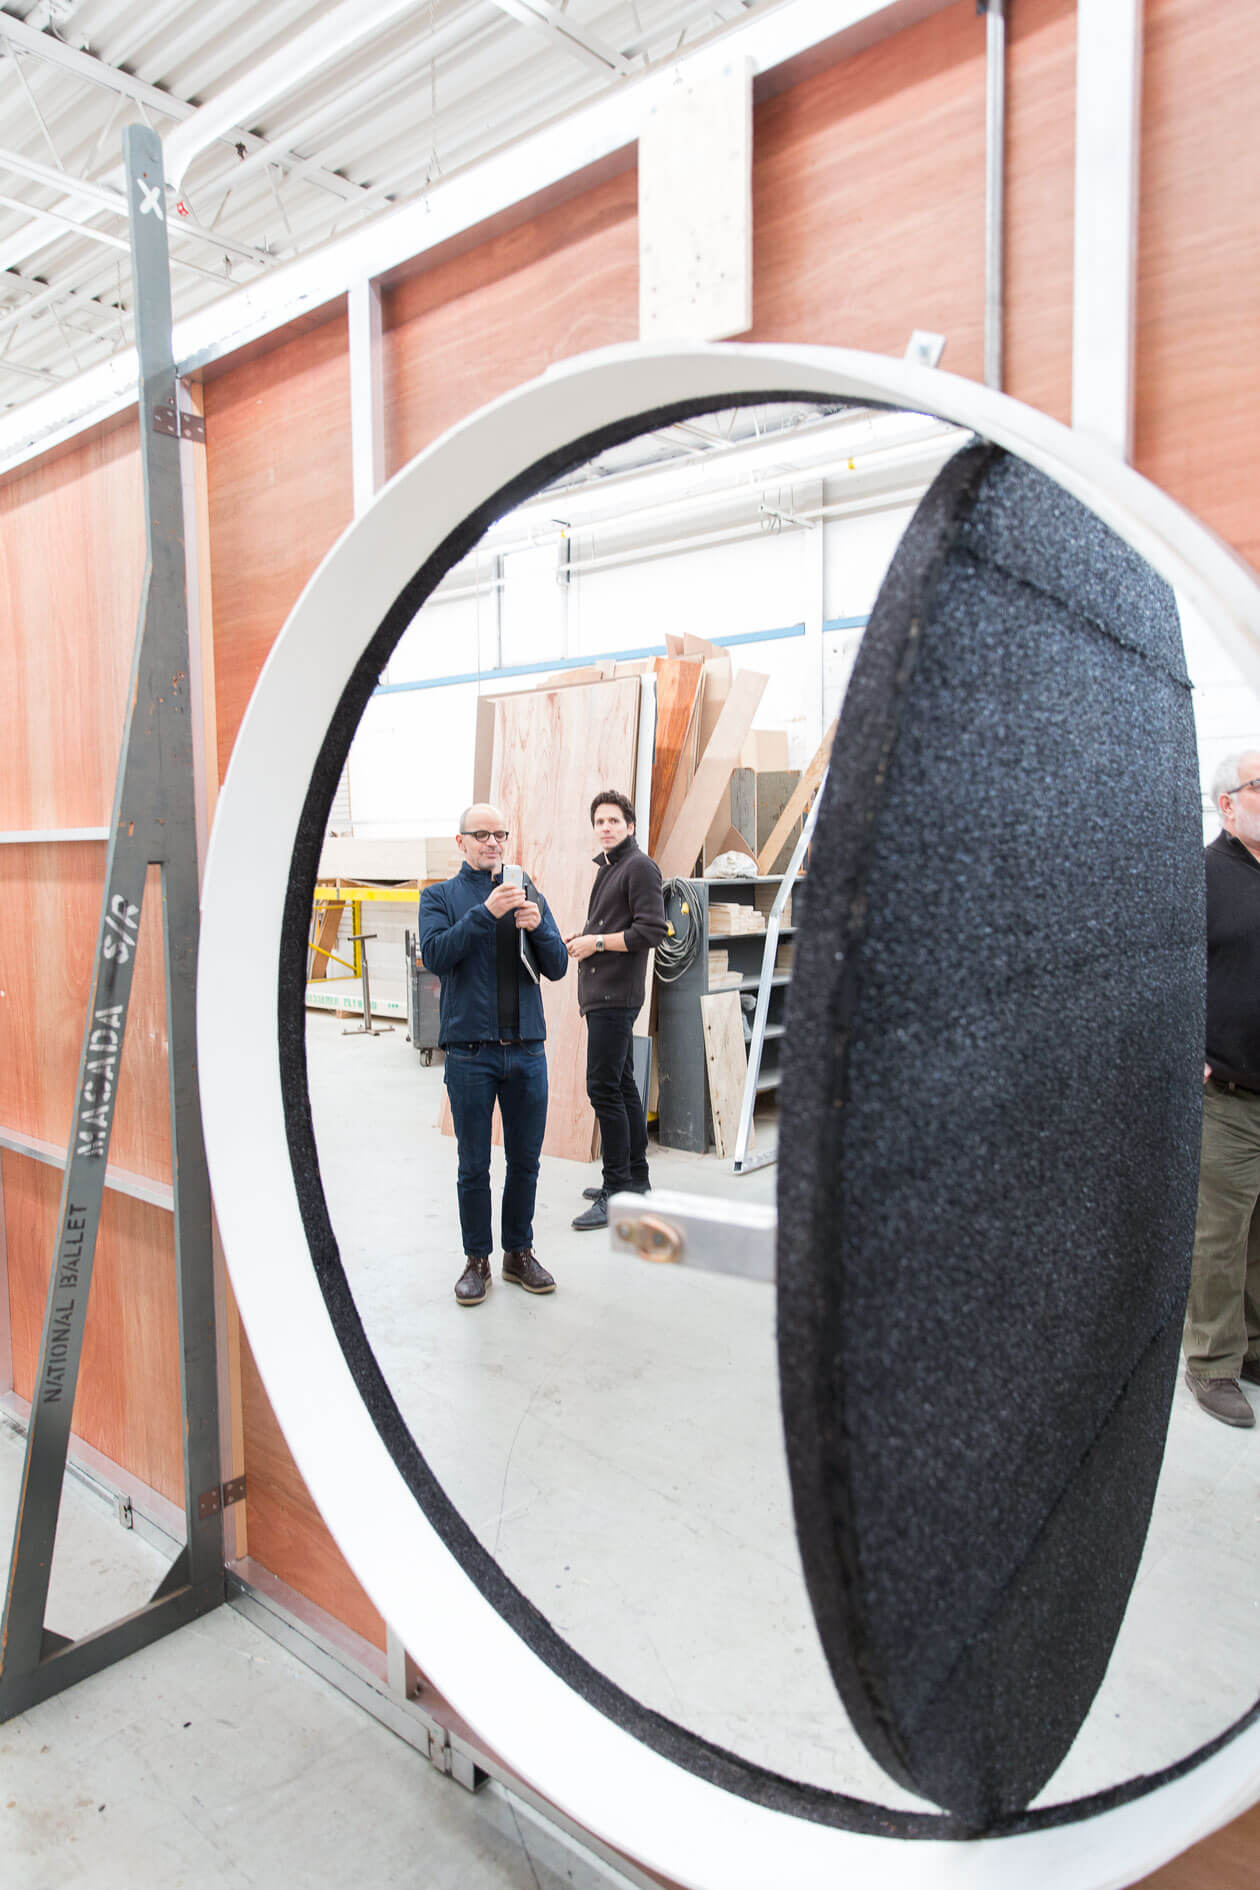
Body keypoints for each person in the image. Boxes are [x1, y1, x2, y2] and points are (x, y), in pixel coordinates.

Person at [418, 803, 569, 1306]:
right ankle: (477, 1260)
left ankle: (518, 1253)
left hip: (526, 1052)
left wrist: (538, 924)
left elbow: (558, 965)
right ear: (460, 841)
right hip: (471, 1055)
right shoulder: (440, 897)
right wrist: (487, 913)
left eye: (500, 834)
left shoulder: (526, 890)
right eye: (481, 834)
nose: (493, 842)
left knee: (525, 1162)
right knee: (473, 1165)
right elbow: (436, 954)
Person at [1183, 749, 1260, 1426]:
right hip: (1226, 1097)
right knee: (1220, 1237)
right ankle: (1211, 1363)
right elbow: (1168, 973)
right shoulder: (1201, 876)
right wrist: (1188, 1050)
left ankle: (1253, 1346)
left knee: (1259, 1235)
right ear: (1228, 804)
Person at [565, 790, 669, 1230]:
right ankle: (635, 1181)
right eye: (599, 821)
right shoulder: (610, 867)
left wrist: (596, 942)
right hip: (604, 994)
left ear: (630, 825)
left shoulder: (639, 866)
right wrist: (584, 939)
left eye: (613, 820)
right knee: (622, 1086)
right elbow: (612, 925)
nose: (605, 827)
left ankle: (616, 1191)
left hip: (615, 997)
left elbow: (652, 930)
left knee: (603, 1089)